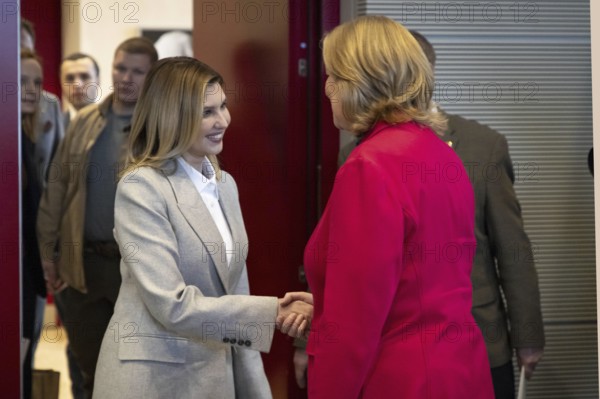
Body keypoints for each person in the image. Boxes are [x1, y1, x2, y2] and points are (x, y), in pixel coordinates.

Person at [284, 16, 494, 398]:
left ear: (362, 84)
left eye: (335, 77)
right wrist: (327, 303)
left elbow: (354, 326)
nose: (327, 87)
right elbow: (418, 281)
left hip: (398, 378)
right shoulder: (438, 152)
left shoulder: (369, 166)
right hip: (457, 370)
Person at [92, 56, 311, 399]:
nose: (223, 120)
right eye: (207, 112)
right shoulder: (142, 187)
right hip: (153, 379)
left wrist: (254, 387)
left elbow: (235, 290)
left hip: (213, 372)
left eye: (223, 106)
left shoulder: (225, 184)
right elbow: (172, 304)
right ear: (172, 116)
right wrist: (274, 311)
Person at [36, 37, 159, 398]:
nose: (126, 77)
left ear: (151, 76)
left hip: (136, 270)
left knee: (136, 375)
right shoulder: (86, 121)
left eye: (138, 71)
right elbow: (56, 190)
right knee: (91, 373)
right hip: (84, 266)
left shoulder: (160, 126)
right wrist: (48, 255)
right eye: (121, 68)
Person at [20, 47, 51, 399]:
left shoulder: (25, 140)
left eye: (37, 82)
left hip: (25, 279)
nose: (30, 89)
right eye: (21, 80)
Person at [61, 52, 101, 129]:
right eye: (70, 78)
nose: (77, 84)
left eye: (85, 77)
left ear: (98, 80)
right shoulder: (54, 128)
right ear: (61, 83)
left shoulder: (113, 124)